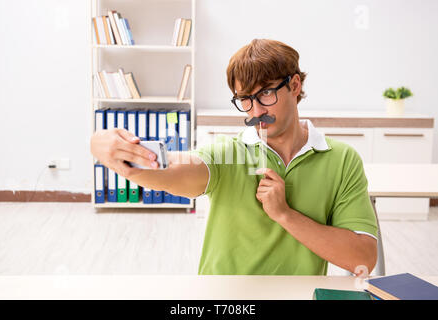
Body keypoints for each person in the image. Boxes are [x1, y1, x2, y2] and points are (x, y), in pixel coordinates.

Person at [90, 39, 378, 276]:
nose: (255, 112)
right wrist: (110, 150)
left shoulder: (342, 160)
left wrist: (285, 214)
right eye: (245, 99)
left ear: (294, 86)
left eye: (265, 93)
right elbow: (172, 171)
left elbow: (363, 259)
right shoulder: (227, 153)